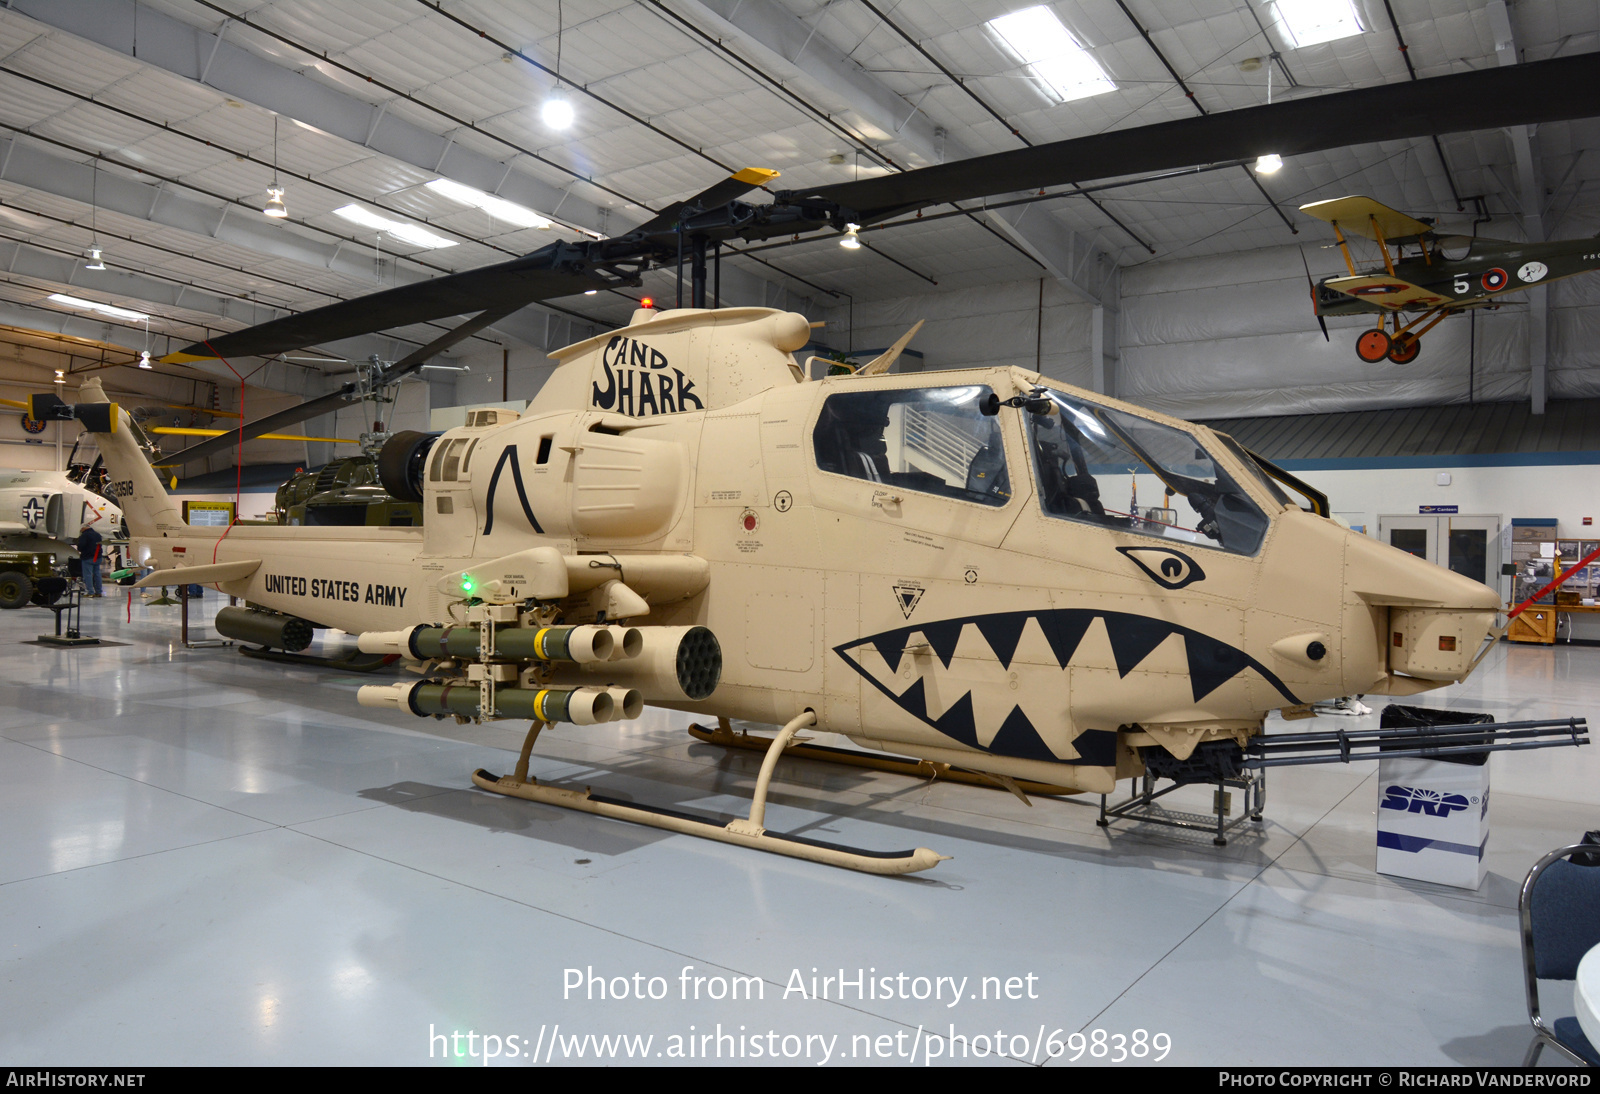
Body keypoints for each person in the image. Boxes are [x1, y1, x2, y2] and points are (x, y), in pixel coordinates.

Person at [77, 522, 103, 597]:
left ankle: (90, 592)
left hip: (87, 557)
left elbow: (81, 546)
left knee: (88, 575)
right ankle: (99, 592)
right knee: (97, 574)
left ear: (83, 528)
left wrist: (79, 548)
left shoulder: (84, 535)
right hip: (97, 557)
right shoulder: (97, 534)